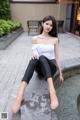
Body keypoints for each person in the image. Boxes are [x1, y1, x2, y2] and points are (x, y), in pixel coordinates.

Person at [12, 15, 64, 113]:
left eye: (51, 25)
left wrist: (60, 73)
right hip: (40, 69)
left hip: (51, 67)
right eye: (47, 24)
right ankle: (20, 95)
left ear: (53, 27)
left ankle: (52, 92)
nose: (48, 26)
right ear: (42, 24)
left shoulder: (55, 40)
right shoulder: (35, 39)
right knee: (34, 59)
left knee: (42, 57)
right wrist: (34, 55)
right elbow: (34, 53)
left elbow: (57, 57)